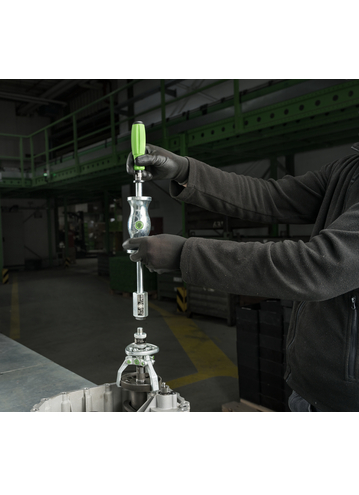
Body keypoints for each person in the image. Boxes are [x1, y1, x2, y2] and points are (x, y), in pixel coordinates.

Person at [122, 143, 359, 412]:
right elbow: (271, 197)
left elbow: (317, 267)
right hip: (310, 387)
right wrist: (186, 171)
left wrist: (186, 255)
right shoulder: (349, 169)